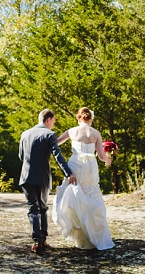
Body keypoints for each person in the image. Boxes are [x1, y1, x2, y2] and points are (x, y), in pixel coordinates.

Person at [52, 106, 114, 250]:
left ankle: (80, 235)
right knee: (91, 196)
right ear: (90, 119)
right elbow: (100, 155)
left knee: (75, 195)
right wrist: (108, 160)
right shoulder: (96, 133)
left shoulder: (71, 131)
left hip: (75, 165)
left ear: (78, 117)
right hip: (90, 167)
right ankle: (94, 237)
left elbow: (55, 143)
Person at [18, 108, 77, 253]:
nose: (53, 125)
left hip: (26, 177)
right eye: (53, 122)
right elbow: (58, 156)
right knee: (42, 208)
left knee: (32, 209)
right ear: (48, 119)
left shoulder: (25, 134)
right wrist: (68, 173)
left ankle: (37, 241)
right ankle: (42, 240)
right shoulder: (49, 134)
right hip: (42, 177)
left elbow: (21, 156)